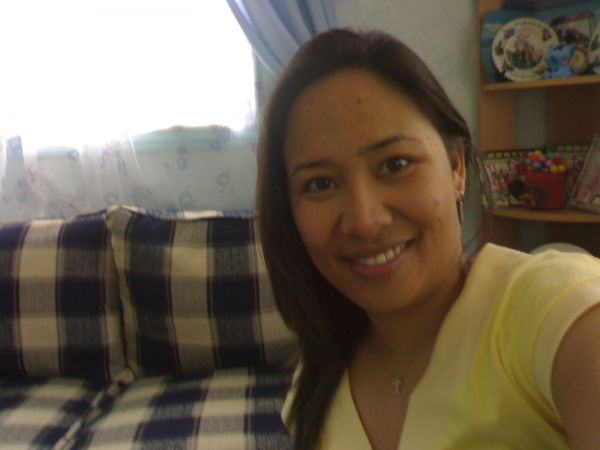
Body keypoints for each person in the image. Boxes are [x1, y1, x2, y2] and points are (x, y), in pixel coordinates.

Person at [256, 28, 600, 450]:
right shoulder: (316, 382)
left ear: (457, 167)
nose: (365, 221)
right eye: (321, 183)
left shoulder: (548, 309)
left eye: (395, 164)